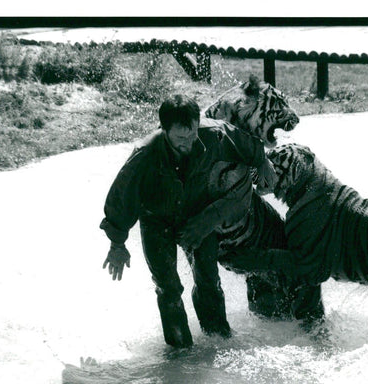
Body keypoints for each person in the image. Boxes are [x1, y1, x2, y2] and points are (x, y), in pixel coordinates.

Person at [100, 94, 277, 349]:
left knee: (208, 278)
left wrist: (261, 161)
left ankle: (218, 339)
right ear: (164, 130)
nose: (188, 144)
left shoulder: (211, 134)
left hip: (196, 216)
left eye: (192, 134)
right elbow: (121, 198)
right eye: (180, 138)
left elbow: (243, 142)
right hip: (156, 221)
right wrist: (117, 244)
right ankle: (181, 351)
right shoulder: (145, 154)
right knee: (168, 288)